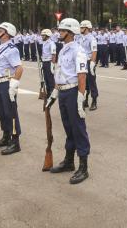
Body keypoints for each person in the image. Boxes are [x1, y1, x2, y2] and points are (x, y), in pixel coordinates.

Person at [45, 18, 90, 184]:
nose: (59, 33)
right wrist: (54, 94)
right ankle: (69, 161)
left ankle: (83, 166)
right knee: (68, 128)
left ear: (71, 32)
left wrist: (80, 97)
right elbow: (60, 74)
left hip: (72, 92)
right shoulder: (63, 50)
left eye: (62, 31)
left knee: (78, 129)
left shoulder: (78, 51)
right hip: (63, 92)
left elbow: (82, 76)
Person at [0, 22, 24, 155]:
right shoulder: (0, 47)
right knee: (2, 112)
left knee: (11, 113)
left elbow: (19, 68)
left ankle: (15, 141)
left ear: (7, 33)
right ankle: (6, 136)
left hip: (7, 83)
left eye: (0, 30)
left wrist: (13, 85)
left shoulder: (11, 49)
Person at [79, 20, 99, 111]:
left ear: (87, 28)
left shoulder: (92, 39)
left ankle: (94, 100)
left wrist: (92, 63)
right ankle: (85, 100)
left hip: (89, 61)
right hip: (81, 61)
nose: (80, 29)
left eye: (82, 27)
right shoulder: (80, 37)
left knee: (91, 82)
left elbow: (94, 51)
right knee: (83, 82)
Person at [40, 29, 57, 97]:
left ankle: (52, 93)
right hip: (44, 62)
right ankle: (48, 92)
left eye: (43, 35)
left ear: (47, 35)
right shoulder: (44, 43)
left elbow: (53, 54)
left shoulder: (51, 43)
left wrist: (52, 65)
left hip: (49, 62)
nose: (42, 37)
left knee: (50, 79)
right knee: (46, 78)